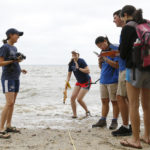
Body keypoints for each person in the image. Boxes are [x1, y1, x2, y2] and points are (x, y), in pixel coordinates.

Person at [119, 5, 150, 149]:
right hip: (149, 68)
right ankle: (147, 136)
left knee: (133, 104)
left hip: (134, 68)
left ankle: (136, 140)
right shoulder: (147, 24)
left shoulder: (127, 28)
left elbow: (124, 53)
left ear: (125, 15)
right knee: (147, 106)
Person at [0, 28, 27, 139]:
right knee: (9, 102)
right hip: (8, 78)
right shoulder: (4, 47)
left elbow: (14, 61)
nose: (18, 37)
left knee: (12, 103)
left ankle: (9, 125)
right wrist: (13, 61)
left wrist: (20, 69)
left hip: (16, 77)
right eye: (17, 35)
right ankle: (1, 129)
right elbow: (1, 63)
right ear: (10, 35)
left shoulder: (14, 48)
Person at [111, 10, 132, 136]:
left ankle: (125, 126)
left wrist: (115, 53)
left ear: (122, 16)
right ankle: (129, 125)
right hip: (127, 68)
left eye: (115, 17)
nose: (114, 20)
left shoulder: (126, 30)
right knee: (129, 99)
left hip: (126, 68)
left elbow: (124, 52)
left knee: (121, 97)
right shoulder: (132, 29)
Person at [92, 36, 119, 130]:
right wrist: (100, 62)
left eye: (101, 45)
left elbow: (117, 65)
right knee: (104, 101)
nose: (101, 48)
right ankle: (103, 120)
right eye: (99, 47)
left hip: (113, 80)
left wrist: (106, 59)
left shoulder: (115, 49)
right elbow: (102, 67)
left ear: (105, 41)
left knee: (114, 102)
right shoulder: (102, 52)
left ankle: (114, 121)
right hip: (103, 79)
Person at [64, 50, 91, 118]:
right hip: (79, 82)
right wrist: (67, 82)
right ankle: (75, 115)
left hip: (86, 81)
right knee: (72, 98)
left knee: (79, 99)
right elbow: (69, 75)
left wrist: (78, 68)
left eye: (75, 53)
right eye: (72, 53)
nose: (74, 54)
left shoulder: (81, 61)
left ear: (78, 54)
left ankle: (87, 111)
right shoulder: (71, 63)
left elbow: (88, 71)